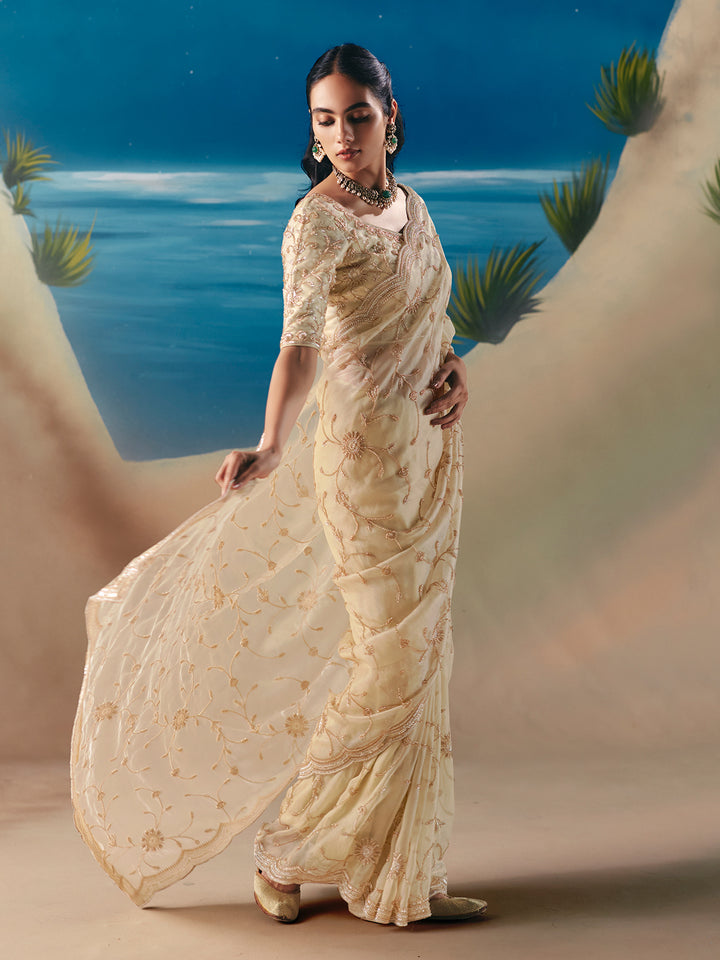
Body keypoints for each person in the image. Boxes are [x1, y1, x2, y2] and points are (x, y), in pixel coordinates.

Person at [70, 42, 486, 928]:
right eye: (324, 121)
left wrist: (454, 370)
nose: (341, 136)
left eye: (357, 116)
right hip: (363, 465)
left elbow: (430, 320)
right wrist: (269, 442)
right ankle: (284, 852)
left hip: (429, 457)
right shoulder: (315, 222)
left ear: (391, 115)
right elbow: (299, 342)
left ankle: (401, 875)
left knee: (424, 663)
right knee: (388, 661)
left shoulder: (414, 208)